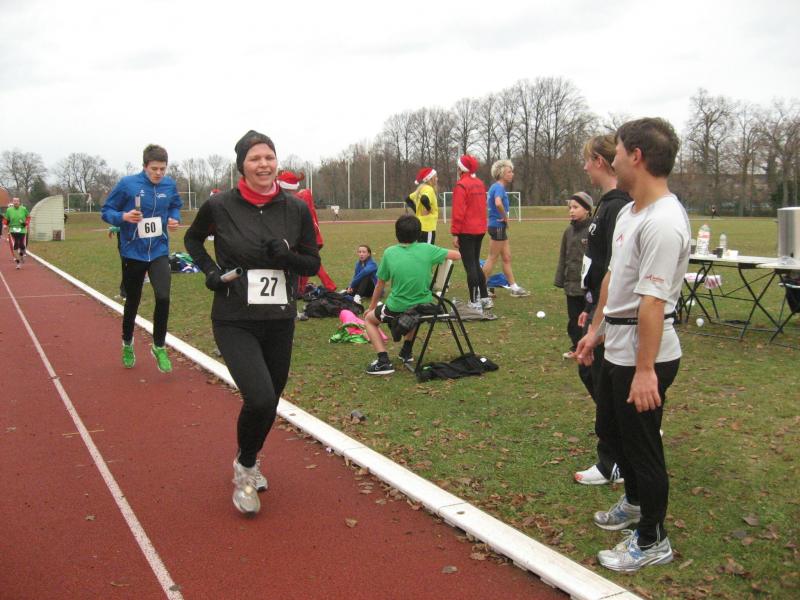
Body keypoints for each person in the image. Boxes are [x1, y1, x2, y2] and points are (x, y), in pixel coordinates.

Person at [184, 130, 320, 516]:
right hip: (235, 318)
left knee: (270, 399)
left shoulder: (295, 209)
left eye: (269, 157)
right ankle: (245, 470)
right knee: (258, 397)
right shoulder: (220, 205)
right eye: (255, 158)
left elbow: (312, 263)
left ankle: (249, 456)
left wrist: (288, 256)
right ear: (241, 166)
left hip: (279, 319)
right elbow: (193, 241)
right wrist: (211, 271)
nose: (264, 164)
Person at [575, 117, 689, 572]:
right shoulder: (630, 212)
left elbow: (652, 303)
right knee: (615, 432)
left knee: (643, 449)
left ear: (636, 156)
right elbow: (613, 279)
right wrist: (595, 330)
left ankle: (653, 538)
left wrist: (645, 371)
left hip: (647, 355)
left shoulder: (664, 222)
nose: (613, 158)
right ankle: (636, 504)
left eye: (619, 151)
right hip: (617, 343)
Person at [573, 134, 632, 486]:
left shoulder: (619, 206)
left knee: (605, 381)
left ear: (599, 160)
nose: (585, 167)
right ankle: (619, 445)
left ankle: (615, 460)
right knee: (591, 373)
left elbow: (615, 268)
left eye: (587, 160)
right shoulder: (607, 204)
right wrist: (589, 303)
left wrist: (601, 319)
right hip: (598, 306)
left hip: (611, 313)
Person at [100, 144, 182, 372]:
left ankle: (159, 346)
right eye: (154, 169)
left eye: (163, 169)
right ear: (145, 166)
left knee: (163, 297)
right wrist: (124, 216)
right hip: (133, 251)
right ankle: (127, 342)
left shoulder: (169, 185)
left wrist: (174, 219)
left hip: (159, 250)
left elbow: (175, 206)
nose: (159, 173)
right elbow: (106, 211)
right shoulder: (128, 184)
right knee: (133, 300)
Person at [364, 215, 460, 375]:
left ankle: (383, 361)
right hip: (424, 305)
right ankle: (406, 351)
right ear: (419, 233)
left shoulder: (389, 253)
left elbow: (380, 284)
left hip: (398, 307)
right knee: (414, 311)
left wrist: (372, 307)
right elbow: (456, 256)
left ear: (397, 233)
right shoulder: (428, 249)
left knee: (369, 320)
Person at [276, 171, 336, 293]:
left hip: (308, 238)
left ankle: (329, 285)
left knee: (313, 264)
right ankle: (301, 289)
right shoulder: (300, 199)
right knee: (303, 262)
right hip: (310, 237)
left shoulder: (298, 200)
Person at [450, 154, 492, 315]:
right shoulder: (479, 183)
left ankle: (474, 302)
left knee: (470, 266)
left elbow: (458, 211)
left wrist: (455, 233)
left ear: (461, 168)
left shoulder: (461, 185)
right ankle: (484, 297)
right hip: (480, 229)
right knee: (475, 262)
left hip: (467, 230)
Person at [482, 160, 529, 298]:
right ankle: (480, 289)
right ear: (502, 174)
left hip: (498, 227)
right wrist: (505, 217)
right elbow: (498, 203)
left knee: (507, 257)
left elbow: (491, 203)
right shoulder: (499, 187)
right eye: (509, 172)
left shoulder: (495, 187)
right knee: (492, 258)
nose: (512, 174)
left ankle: (514, 287)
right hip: (497, 227)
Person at [554, 192, 593, 358]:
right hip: (571, 284)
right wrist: (560, 279)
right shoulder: (568, 232)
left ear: (587, 209)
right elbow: (563, 257)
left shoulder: (593, 231)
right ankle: (576, 346)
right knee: (573, 318)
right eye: (570, 207)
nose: (571, 210)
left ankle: (588, 347)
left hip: (588, 286)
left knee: (588, 318)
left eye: (576, 207)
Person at [404, 167, 439, 244]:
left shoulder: (421, 189)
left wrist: (416, 211)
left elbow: (408, 199)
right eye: (435, 177)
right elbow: (424, 199)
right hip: (428, 227)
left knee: (420, 249)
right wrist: (429, 209)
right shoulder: (429, 189)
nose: (437, 179)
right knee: (428, 250)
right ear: (430, 179)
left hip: (419, 226)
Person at [4, 197, 30, 269]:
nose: (15, 202)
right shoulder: (9, 210)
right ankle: (18, 262)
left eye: (17, 201)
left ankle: (22, 254)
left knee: (22, 245)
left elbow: (28, 217)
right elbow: (6, 219)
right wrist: (5, 224)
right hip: (12, 229)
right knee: (15, 245)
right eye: (14, 201)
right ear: (12, 202)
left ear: (19, 202)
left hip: (22, 229)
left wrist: (25, 223)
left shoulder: (23, 209)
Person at [107, 225, 126, 299]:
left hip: (127, 244)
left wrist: (113, 229)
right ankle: (124, 293)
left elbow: (128, 226)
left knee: (127, 268)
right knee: (126, 268)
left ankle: (126, 293)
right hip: (122, 244)